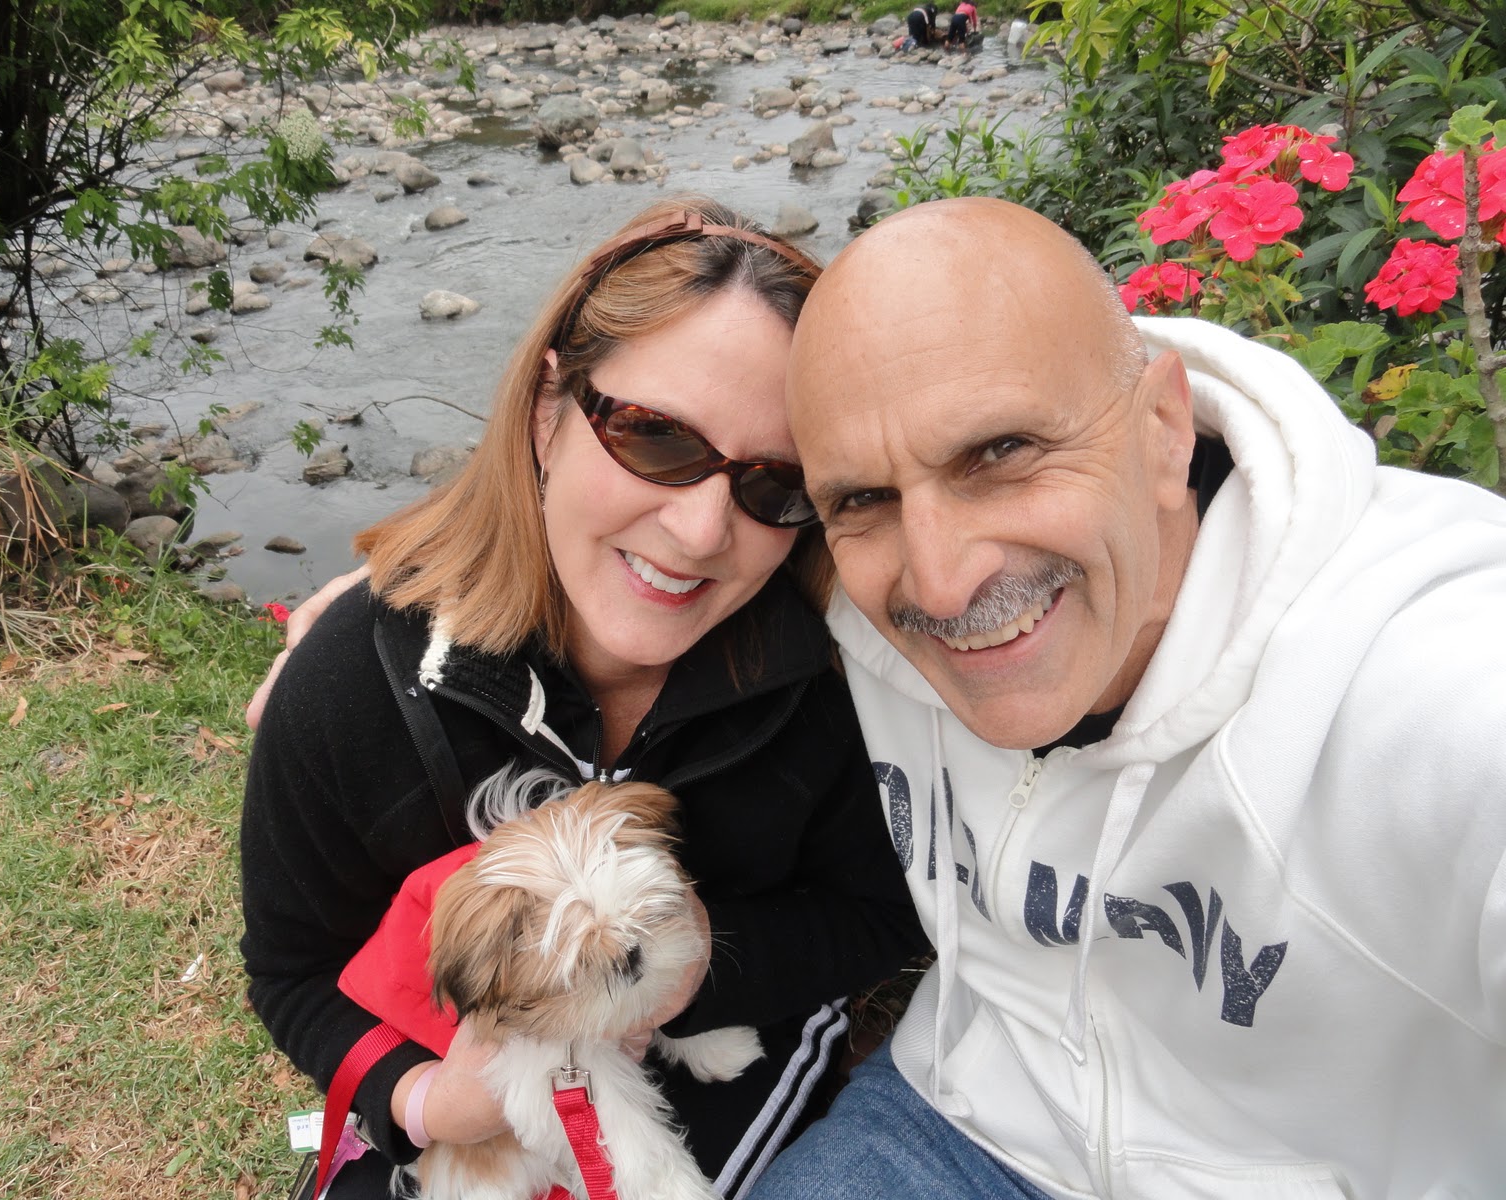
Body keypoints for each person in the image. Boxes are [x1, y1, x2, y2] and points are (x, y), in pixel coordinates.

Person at [742, 197, 1506, 1197]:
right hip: (964, 1111)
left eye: (999, 454)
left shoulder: (1433, 684)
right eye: (863, 500)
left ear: (1162, 430)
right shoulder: (852, 614)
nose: (940, 584)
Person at [241, 198, 927, 1200]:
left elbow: (884, 913)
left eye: (776, 483)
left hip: (730, 1045)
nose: (700, 532)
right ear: (547, 412)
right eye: (655, 437)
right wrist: (425, 1102)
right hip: (450, 1099)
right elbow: (291, 972)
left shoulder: (838, 677)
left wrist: (700, 969)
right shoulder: (355, 685)